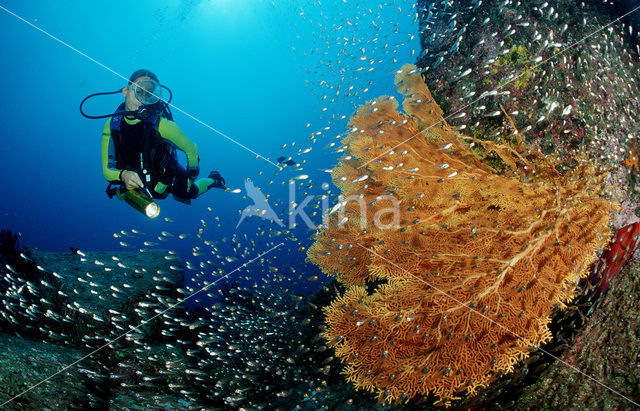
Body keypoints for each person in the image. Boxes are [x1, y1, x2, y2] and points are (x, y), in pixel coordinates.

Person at [101, 69, 225, 204]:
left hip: (167, 177)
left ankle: (214, 179)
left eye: (148, 95)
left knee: (191, 193)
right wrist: (123, 175)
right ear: (125, 91)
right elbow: (107, 170)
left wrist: (191, 177)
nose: (142, 99)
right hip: (137, 182)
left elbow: (192, 149)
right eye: (139, 91)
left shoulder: (161, 125)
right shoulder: (112, 125)